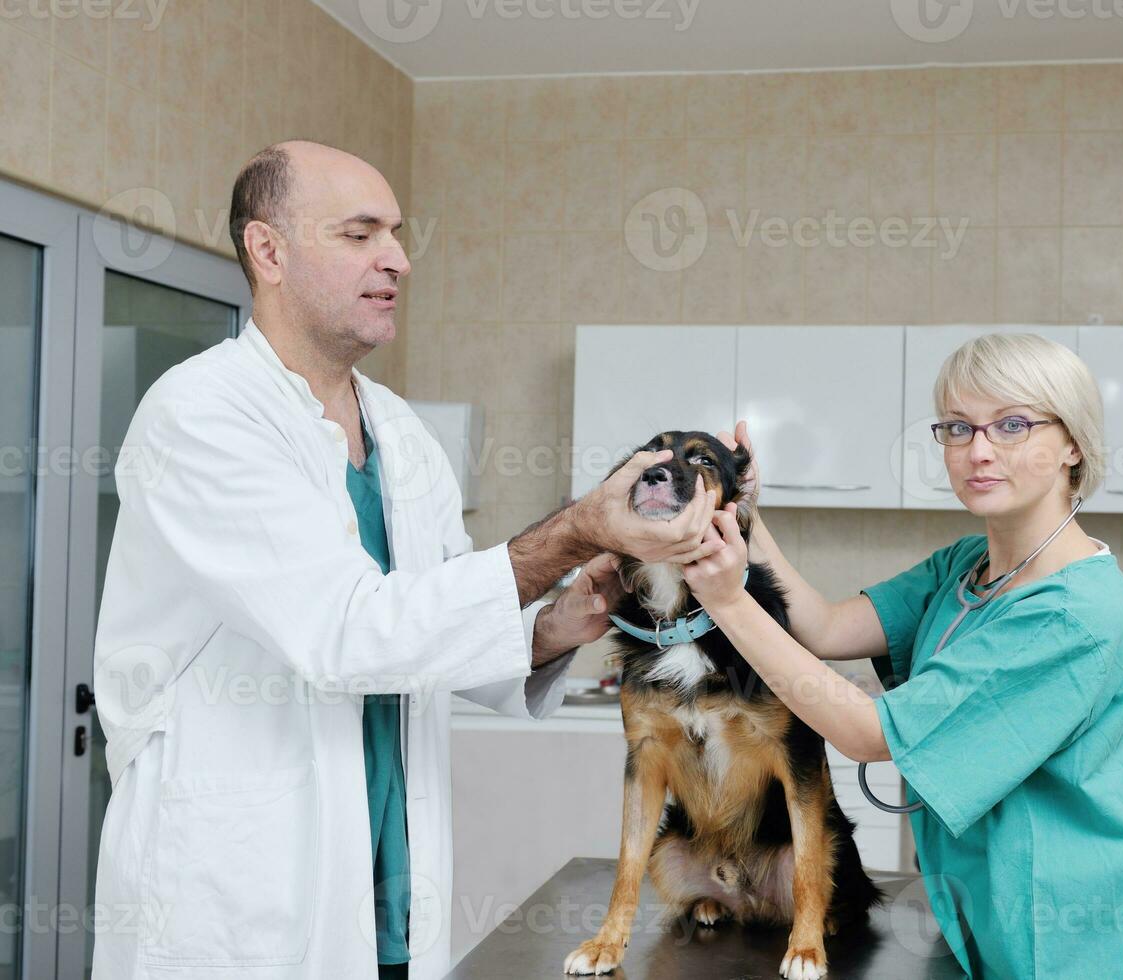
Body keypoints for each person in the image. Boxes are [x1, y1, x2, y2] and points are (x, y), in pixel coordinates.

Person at [90, 141, 724, 980]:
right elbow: (347, 633)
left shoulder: (400, 432)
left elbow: (430, 628)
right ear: (267, 251)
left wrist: (554, 627)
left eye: (394, 234)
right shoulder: (200, 415)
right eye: (359, 234)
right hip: (243, 885)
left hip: (388, 879)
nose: (397, 257)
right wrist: (574, 530)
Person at [682, 333, 1123, 978]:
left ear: (1073, 443)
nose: (978, 450)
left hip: (1068, 943)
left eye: (1012, 425)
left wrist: (729, 604)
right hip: (981, 921)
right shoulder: (970, 566)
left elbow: (866, 733)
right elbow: (826, 628)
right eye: (958, 427)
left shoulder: (1068, 616)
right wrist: (743, 513)